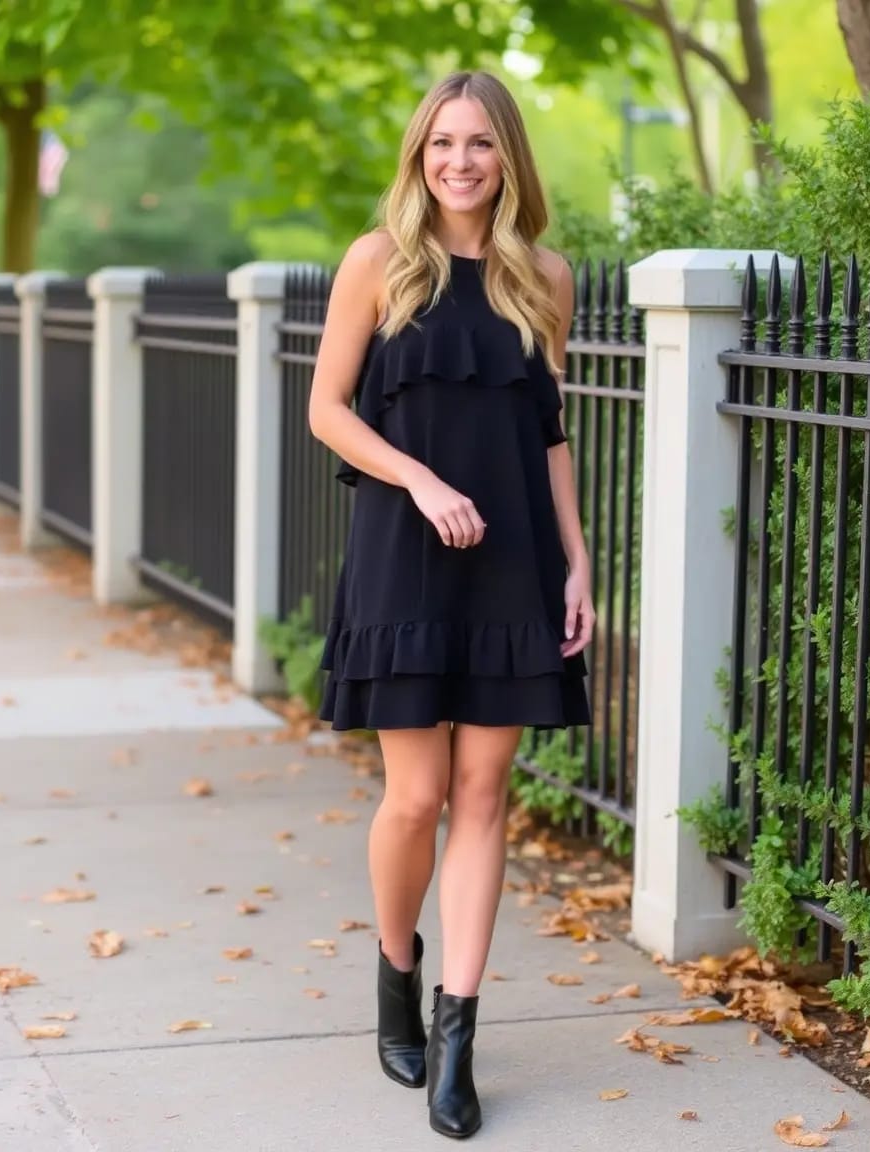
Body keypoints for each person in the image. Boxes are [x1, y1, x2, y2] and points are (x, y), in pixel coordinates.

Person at [308, 69, 594, 1140]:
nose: (459, 162)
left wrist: (576, 564)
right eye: (441, 144)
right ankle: (396, 970)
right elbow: (326, 410)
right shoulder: (380, 265)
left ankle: (457, 1035)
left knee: (483, 796)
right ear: (418, 155)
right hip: (403, 547)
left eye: (479, 144)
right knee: (414, 797)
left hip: (514, 555)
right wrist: (419, 480)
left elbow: (550, 438)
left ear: (506, 157)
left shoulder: (542, 279)